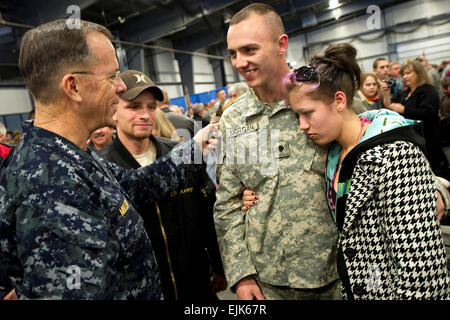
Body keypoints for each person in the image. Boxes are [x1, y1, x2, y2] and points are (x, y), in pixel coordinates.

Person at [0, 19, 218, 300]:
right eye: (112, 76)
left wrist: (194, 149)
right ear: (74, 87)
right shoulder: (52, 184)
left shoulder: (69, 155)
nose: (119, 87)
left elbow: (134, 185)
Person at [244, 42, 450, 299]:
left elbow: (421, 270)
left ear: (339, 100)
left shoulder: (394, 153)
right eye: (298, 116)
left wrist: (437, 188)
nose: (302, 126)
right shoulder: (332, 153)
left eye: (307, 113)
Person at [214, 3, 340, 300]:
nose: (239, 62)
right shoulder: (234, 118)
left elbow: (376, 144)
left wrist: (436, 187)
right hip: (269, 283)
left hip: (335, 275)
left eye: (249, 50)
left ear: (281, 44)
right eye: (233, 53)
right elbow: (227, 203)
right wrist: (241, 274)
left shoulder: (320, 93)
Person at [100, 69, 226, 300]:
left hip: (197, 287)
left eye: (150, 107)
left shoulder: (179, 154)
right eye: (134, 107)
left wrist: (219, 266)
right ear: (114, 112)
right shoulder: (103, 167)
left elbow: (208, 212)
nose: (145, 114)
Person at [384, 60, 446, 178]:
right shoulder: (405, 93)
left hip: (428, 138)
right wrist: (386, 94)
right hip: (413, 140)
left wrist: (404, 110)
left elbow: (429, 113)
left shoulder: (428, 90)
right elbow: (390, 107)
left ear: (419, 73)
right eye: (403, 74)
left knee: (434, 172)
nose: (405, 76)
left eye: (408, 73)